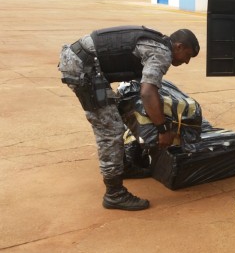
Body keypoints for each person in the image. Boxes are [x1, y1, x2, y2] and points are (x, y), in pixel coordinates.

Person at [58, 26, 199, 211]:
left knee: (115, 115)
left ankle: (123, 166)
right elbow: (148, 93)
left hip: (84, 61)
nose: (187, 62)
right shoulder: (162, 52)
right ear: (179, 46)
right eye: (188, 56)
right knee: (110, 130)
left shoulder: (156, 42)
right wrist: (163, 129)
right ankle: (114, 194)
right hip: (82, 67)